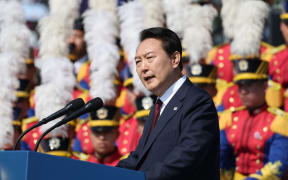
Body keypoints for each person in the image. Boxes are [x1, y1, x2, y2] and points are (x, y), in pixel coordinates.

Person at [116, 27, 220, 180]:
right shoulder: (159, 105)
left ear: (175, 59)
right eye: (138, 62)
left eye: (149, 58)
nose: (143, 67)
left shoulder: (197, 101)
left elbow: (187, 157)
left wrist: (143, 178)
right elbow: (140, 156)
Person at [219, 58, 288, 179]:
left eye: (249, 85)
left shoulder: (279, 121)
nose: (243, 91)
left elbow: (277, 166)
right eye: (240, 86)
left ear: (264, 86)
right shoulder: (229, 118)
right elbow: (221, 157)